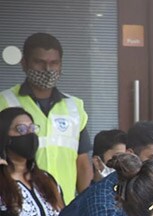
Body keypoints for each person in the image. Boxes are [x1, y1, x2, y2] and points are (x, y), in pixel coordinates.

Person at [0, 33, 91, 204]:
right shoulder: (4, 102)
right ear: (24, 63)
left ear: (61, 65)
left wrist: (83, 204)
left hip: (65, 205)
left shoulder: (74, 107)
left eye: (53, 63)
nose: (48, 69)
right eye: (40, 62)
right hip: (17, 203)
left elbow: (83, 162)